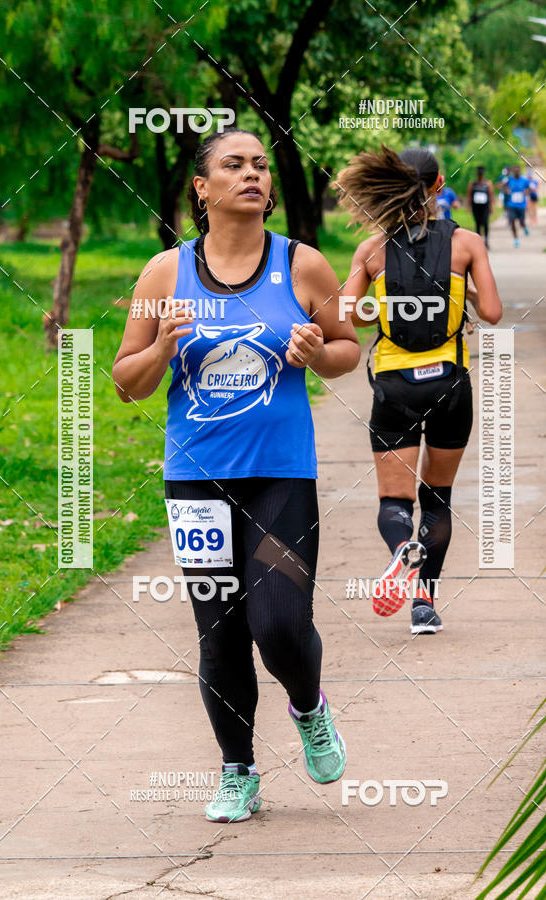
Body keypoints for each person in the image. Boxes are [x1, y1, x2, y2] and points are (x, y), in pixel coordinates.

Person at [112, 128, 360, 823]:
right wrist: (160, 346)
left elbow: (349, 350)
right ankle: (238, 771)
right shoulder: (163, 273)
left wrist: (319, 350)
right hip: (197, 481)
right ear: (202, 187)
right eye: (233, 164)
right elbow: (126, 381)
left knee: (279, 620)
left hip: (280, 474)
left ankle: (309, 707)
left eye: (259, 164)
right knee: (219, 629)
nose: (251, 173)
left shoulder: (303, 264)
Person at [336, 146, 502, 635]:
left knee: (394, 501)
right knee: (438, 497)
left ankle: (399, 551)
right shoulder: (466, 243)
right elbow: (492, 313)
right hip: (450, 381)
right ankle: (424, 605)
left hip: (393, 385)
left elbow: (345, 313)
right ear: (440, 184)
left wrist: (387, 308)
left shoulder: (370, 250)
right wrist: (462, 292)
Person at [467, 166, 493, 249]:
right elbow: (469, 195)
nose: (480, 176)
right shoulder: (473, 184)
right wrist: (469, 206)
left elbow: (491, 195)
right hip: (476, 207)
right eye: (479, 174)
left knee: (485, 222)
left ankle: (486, 241)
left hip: (485, 207)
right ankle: (478, 241)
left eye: (481, 174)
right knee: (478, 223)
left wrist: (491, 207)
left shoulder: (488, 183)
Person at [504, 164, 531, 247]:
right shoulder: (510, 180)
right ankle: (516, 239)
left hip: (521, 205)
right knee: (512, 220)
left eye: (517, 171)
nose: (516, 172)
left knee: (521, 222)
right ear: (513, 172)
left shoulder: (524, 180)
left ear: (519, 171)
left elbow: (529, 189)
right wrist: (506, 191)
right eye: (514, 171)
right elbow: (504, 187)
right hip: (512, 204)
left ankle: (524, 226)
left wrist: (526, 192)